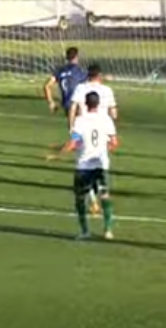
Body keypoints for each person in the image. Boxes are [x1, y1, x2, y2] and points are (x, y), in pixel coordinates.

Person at [49, 91, 119, 240]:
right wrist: (102, 149)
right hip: (102, 164)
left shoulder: (80, 120)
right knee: (105, 195)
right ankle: (108, 230)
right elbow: (114, 143)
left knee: (80, 198)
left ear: (86, 104)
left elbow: (74, 142)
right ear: (98, 104)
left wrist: (58, 155)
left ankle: (85, 231)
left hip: (84, 166)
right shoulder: (106, 119)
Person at [68, 64, 117, 129]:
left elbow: (73, 108)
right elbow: (113, 113)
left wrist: (71, 126)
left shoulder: (80, 88)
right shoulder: (107, 90)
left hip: (83, 126)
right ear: (99, 75)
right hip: (102, 126)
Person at [43, 46, 86, 116]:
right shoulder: (79, 71)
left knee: (72, 126)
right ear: (76, 57)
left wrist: (51, 102)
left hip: (66, 105)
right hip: (78, 104)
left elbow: (46, 86)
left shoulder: (60, 71)